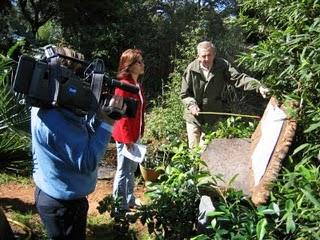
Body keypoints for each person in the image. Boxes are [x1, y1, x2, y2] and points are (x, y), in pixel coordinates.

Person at [31, 46, 126, 240]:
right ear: (62, 78)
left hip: (54, 193)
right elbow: (87, 160)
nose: (84, 83)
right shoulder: (55, 119)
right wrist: (108, 121)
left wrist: (98, 114)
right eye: (78, 74)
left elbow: (83, 133)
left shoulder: (47, 103)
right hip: (63, 206)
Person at [181, 41, 269, 148]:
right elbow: (185, 94)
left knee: (206, 148)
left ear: (214, 54)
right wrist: (191, 105)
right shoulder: (191, 69)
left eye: (209, 55)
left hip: (212, 116)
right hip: (193, 117)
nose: (207, 59)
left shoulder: (222, 66)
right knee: (194, 149)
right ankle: (193, 165)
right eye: (203, 56)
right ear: (198, 56)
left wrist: (258, 86)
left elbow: (238, 78)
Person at [112, 49, 145, 215]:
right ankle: (119, 206)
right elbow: (121, 116)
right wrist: (127, 139)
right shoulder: (123, 85)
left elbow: (139, 111)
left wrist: (140, 131)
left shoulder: (137, 84)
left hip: (135, 134)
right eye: (139, 62)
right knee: (123, 170)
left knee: (131, 169)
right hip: (126, 136)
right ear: (130, 66)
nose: (142, 64)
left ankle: (129, 199)